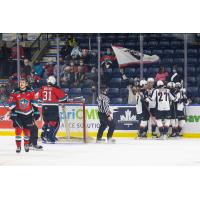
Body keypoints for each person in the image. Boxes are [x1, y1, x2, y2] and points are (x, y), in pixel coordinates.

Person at [7, 78, 39, 153]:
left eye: (23, 82)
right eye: (20, 82)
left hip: (28, 114)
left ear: (26, 84)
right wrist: (13, 112)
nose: (21, 84)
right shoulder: (15, 92)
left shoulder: (30, 91)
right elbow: (12, 103)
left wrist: (36, 111)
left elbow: (34, 102)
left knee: (26, 131)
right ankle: (18, 147)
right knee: (18, 130)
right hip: (18, 114)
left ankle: (26, 145)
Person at [38, 76, 68, 143]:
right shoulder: (54, 89)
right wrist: (65, 96)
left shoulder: (42, 88)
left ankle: (43, 136)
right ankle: (49, 137)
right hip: (53, 107)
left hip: (44, 107)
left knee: (46, 122)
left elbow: (39, 99)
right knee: (53, 123)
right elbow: (63, 98)